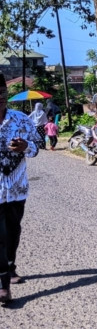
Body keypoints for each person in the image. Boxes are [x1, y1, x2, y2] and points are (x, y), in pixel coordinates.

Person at [0, 73, 40, 303]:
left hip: (16, 188)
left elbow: (37, 147)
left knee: (13, 232)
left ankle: (10, 265)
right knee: (0, 235)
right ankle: (3, 283)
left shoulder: (21, 119)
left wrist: (26, 146)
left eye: (2, 93)